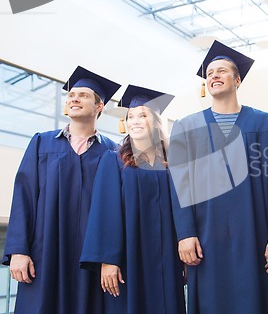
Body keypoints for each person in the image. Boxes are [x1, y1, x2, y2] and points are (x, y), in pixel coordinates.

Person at [168, 40, 268, 314]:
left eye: (221, 71)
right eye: (210, 73)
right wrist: (185, 234)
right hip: (207, 235)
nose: (214, 76)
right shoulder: (187, 127)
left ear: (237, 80)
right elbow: (179, 185)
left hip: (256, 232)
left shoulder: (264, 123)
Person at [3, 66, 121, 314]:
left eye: (83, 95)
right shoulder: (41, 143)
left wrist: (111, 257)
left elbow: (117, 211)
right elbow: (24, 197)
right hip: (43, 251)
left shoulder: (113, 152)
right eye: (71, 95)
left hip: (90, 258)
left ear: (99, 107)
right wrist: (18, 250)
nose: (74, 98)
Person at [80, 85, 185, 314]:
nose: (135, 121)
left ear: (156, 122)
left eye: (142, 115)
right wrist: (108, 260)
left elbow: (182, 212)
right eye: (130, 116)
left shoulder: (171, 164)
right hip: (129, 258)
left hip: (167, 257)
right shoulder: (114, 161)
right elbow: (104, 211)